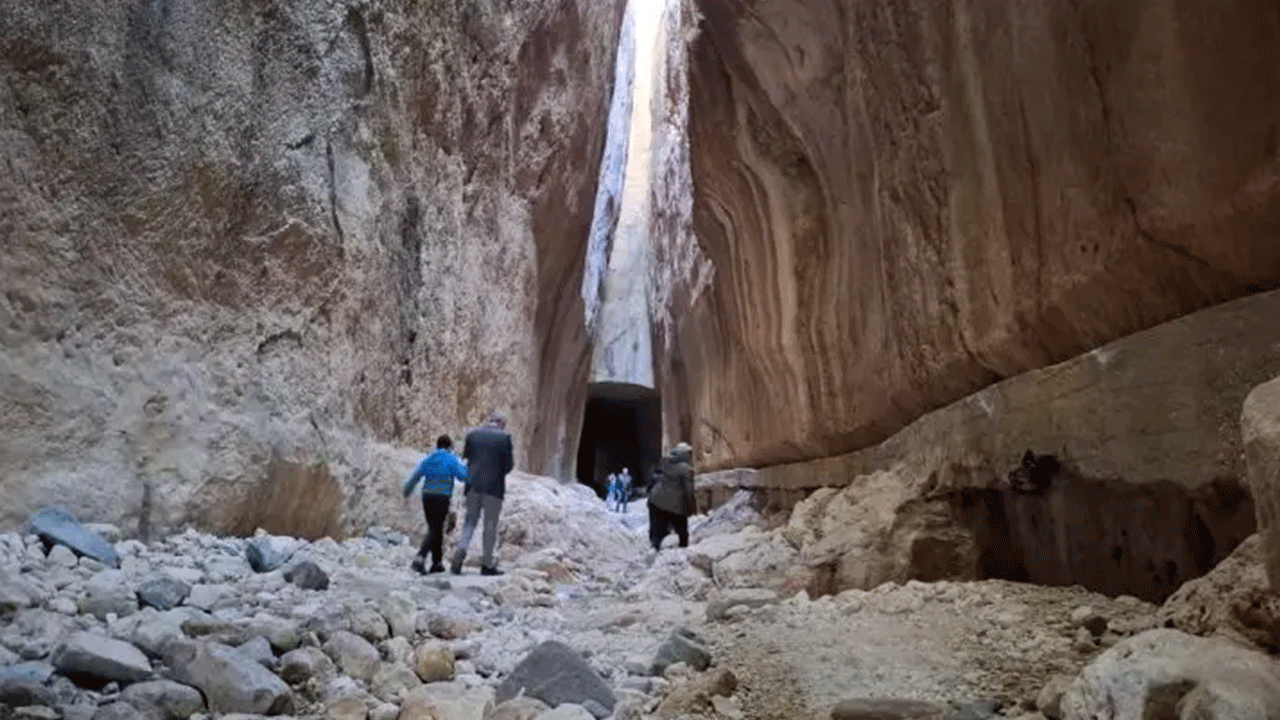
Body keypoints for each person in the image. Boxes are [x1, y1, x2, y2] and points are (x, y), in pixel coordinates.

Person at [449, 412, 515, 576]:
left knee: (469, 522)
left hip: (472, 486)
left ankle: (460, 552)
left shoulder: (472, 435)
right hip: (494, 488)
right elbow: (508, 466)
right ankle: (486, 564)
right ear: (502, 424)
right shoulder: (505, 438)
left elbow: (467, 458)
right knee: (490, 526)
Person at [402, 435, 468, 574]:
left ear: (437, 445)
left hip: (427, 497)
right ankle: (420, 559)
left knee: (435, 528)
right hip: (442, 497)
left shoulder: (429, 458)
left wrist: (406, 491)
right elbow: (462, 476)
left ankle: (437, 563)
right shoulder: (451, 459)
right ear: (450, 446)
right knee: (435, 528)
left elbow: (416, 476)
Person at [647, 443, 695, 551]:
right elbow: (689, 490)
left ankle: (654, 548)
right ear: (686, 454)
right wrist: (691, 508)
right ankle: (683, 551)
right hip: (675, 503)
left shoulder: (666, 462)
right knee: (682, 531)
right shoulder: (686, 469)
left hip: (656, 499)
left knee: (658, 529)